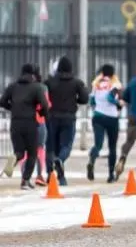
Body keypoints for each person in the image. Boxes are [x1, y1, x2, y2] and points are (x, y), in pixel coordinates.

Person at [1, 64, 51, 189]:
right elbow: (44, 105)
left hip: (15, 123)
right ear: (33, 75)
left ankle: (15, 157)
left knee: (19, 152)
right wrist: (41, 113)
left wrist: (13, 108)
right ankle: (25, 181)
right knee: (32, 153)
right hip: (30, 123)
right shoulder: (36, 87)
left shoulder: (12, 87)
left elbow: (2, 101)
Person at [44, 56, 89, 186]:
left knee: (51, 147)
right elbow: (85, 98)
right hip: (69, 117)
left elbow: (43, 97)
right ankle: (61, 162)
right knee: (66, 145)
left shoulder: (49, 82)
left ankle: (50, 175)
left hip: (52, 117)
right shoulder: (76, 83)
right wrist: (76, 101)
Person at [87, 64, 123, 183]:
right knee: (112, 147)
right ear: (113, 73)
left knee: (98, 144)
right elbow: (110, 97)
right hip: (111, 118)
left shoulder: (96, 85)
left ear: (102, 73)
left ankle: (92, 160)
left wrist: (96, 109)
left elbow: (91, 100)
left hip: (98, 117)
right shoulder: (115, 84)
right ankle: (110, 174)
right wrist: (118, 104)